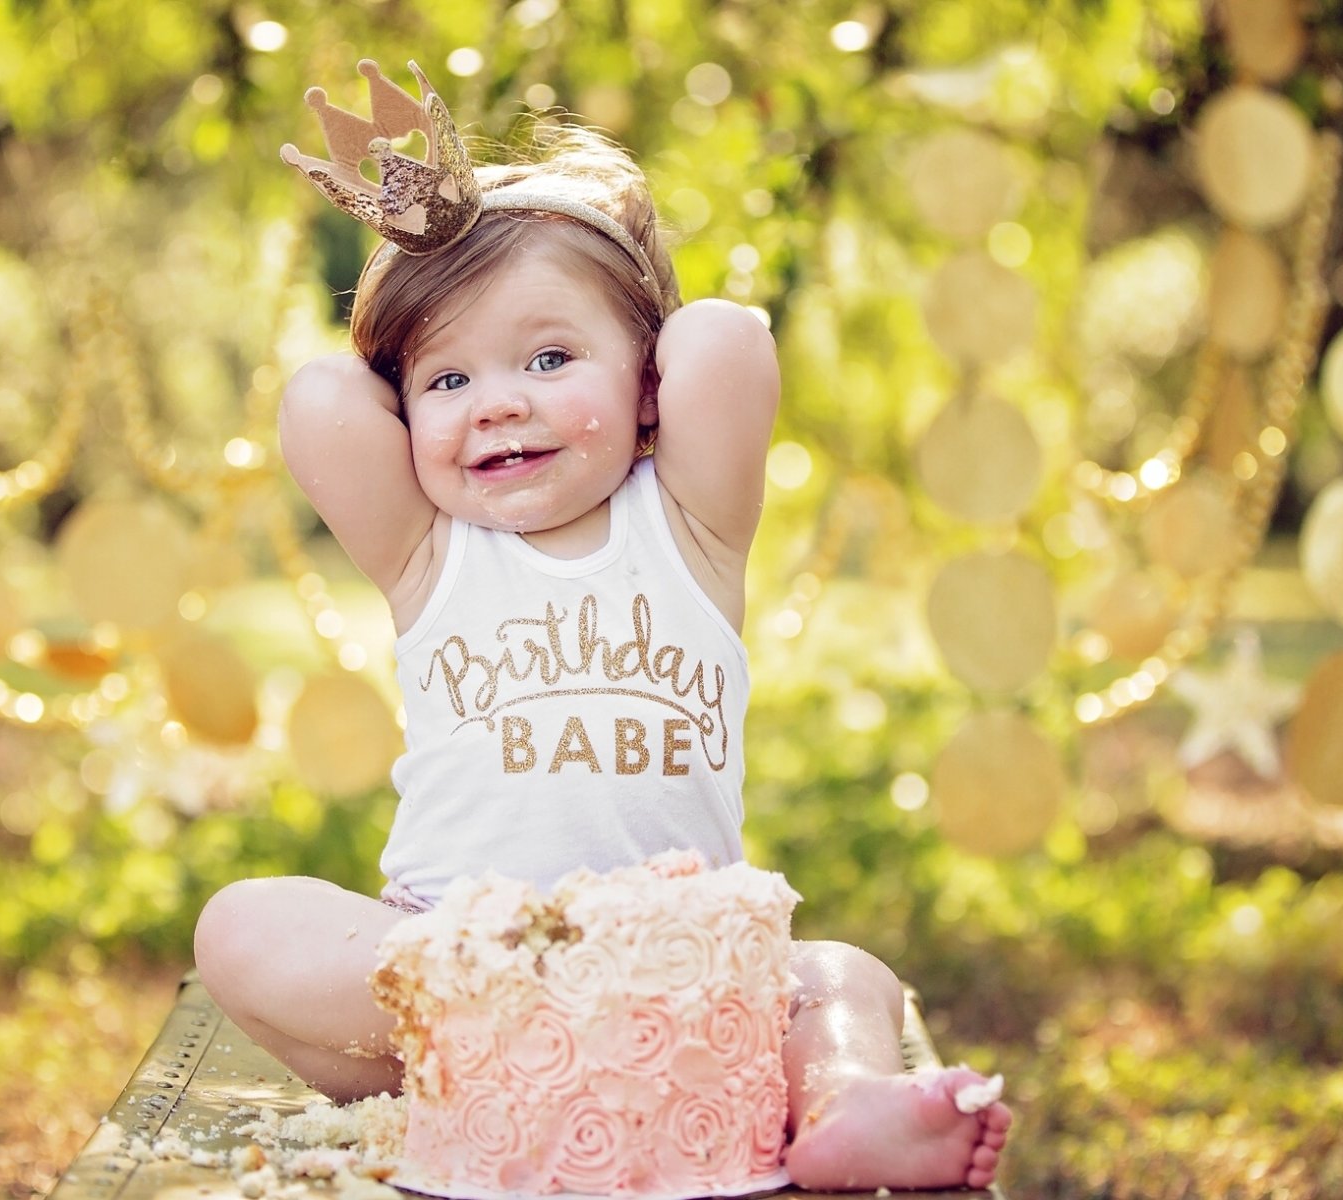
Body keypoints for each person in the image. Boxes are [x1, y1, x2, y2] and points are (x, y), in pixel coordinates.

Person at [195, 60, 1011, 1192]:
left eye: (548, 357)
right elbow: (316, 405)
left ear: (646, 389)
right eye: (447, 380)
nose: (498, 403)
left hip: (685, 984)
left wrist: (615, 285)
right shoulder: (431, 553)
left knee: (844, 978)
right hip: (459, 966)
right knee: (242, 926)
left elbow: (724, 338)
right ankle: (487, 1070)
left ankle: (847, 1104)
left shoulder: (688, 528)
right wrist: (428, 273)